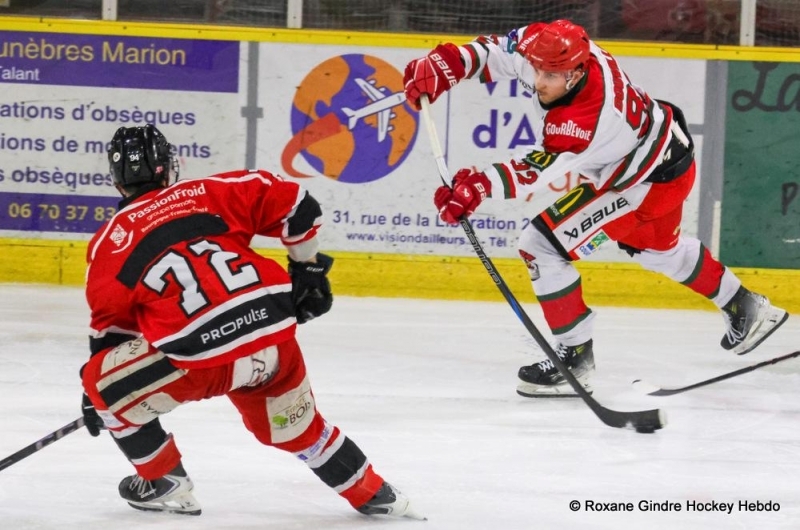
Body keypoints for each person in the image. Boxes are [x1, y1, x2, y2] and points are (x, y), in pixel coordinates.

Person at [403, 19, 789, 397]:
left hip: (643, 185)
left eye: (551, 77)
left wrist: (477, 187)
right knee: (659, 252)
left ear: (574, 74)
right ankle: (745, 306)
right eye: (538, 71)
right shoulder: (548, 46)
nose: (539, 82)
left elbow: (537, 170)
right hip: (668, 158)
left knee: (540, 245)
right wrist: (449, 63)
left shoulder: (585, 118)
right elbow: (497, 52)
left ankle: (575, 360)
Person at [80, 124, 423, 519]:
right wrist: (308, 272)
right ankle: (376, 493)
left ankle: (162, 480)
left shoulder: (110, 243)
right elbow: (300, 206)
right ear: (167, 167)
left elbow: (111, 332)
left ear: (116, 180)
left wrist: (102, 400)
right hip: (272, 335)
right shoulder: (214, 190)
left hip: (203, 361)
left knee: (98, 382)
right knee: (296, 429)